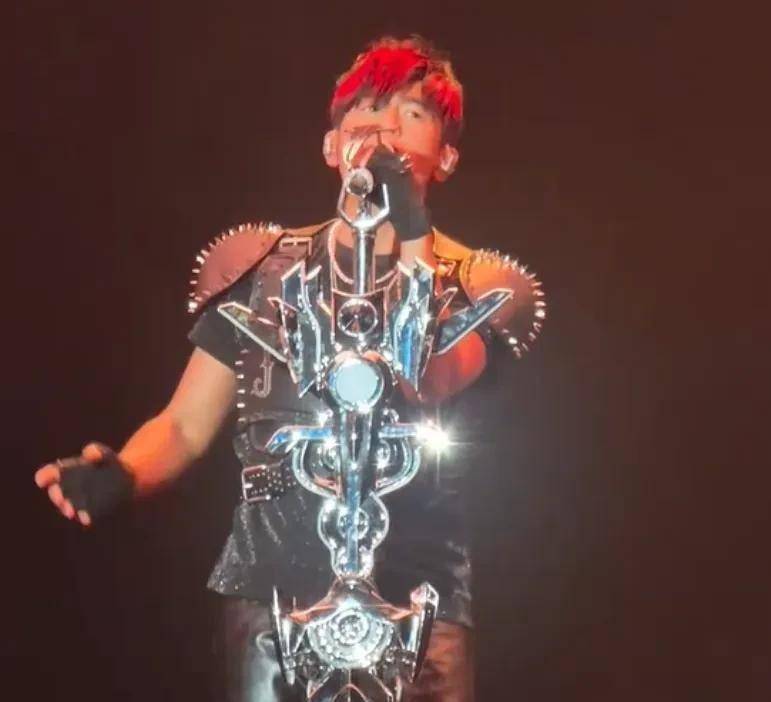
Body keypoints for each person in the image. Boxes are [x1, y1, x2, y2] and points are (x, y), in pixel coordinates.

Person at [34, 36, 544, 701]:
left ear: (445, 156)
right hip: (269, 585)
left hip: (417, 597)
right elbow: (184, 425)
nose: (383, 125)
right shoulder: (264, 269)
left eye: (412, 113)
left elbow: (429, 376)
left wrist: (410, 227)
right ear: (332, 145)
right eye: (366, 107)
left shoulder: (478, 283)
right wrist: (126, 471)